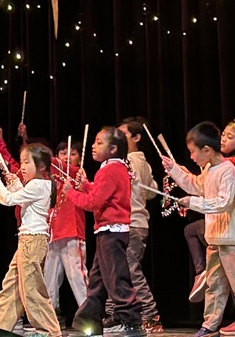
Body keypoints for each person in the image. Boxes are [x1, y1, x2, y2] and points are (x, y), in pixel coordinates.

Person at [164, 122, 235, 337]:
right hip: (215, 237)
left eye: (193, 152)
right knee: (214, 285)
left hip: (233, 237)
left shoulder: (228, 170)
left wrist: (193, 203)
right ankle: (210, 323)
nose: (191, 157)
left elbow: (222, 202)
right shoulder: (209, 169)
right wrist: (174, 170)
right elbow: (196, 185)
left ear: (206, 150)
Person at [65, 127, 145, 337]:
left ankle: (133, 322)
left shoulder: (110, 169)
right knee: (98, 281)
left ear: (113, 148)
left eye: (99, 142)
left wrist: (71, 193)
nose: (93, 145)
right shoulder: (114, 168)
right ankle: (87, 321)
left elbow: (94, 202)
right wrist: (85, 185)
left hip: (111, 231)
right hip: (108, 231)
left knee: (115, 278)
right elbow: (103, 195)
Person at [0, 143, 62, 337]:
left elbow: (10, 200)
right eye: (22, 162)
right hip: (29, 241)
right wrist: (15, 184)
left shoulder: (38, 184)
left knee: (32, 289)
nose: (22, 167)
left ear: (42, 166)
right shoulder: (39, 185)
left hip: (32, 241)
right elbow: (22, 199)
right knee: (12, 287)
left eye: (27, 162)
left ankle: (49, 331)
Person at [118, 118, 162, 333]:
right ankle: (118, 313)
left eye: (123, 135)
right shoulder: (142, 162)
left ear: (137, 138)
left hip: (132, 222)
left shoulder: (129, 161)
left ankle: (150, 313)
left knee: (130, 270)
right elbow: (151, 191)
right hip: (136, 221)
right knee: (120, 270)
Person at [44, 140, 88, 327]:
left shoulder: (79, 175)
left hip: (72, 230)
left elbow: (50, 161)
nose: (67, 157)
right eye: (63, 153)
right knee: (49, 277)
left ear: (79, 157)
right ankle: (51, 316)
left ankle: (89, 315)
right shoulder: (54, 176)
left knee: (77, 275)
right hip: (54, 231)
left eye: (72, 154)